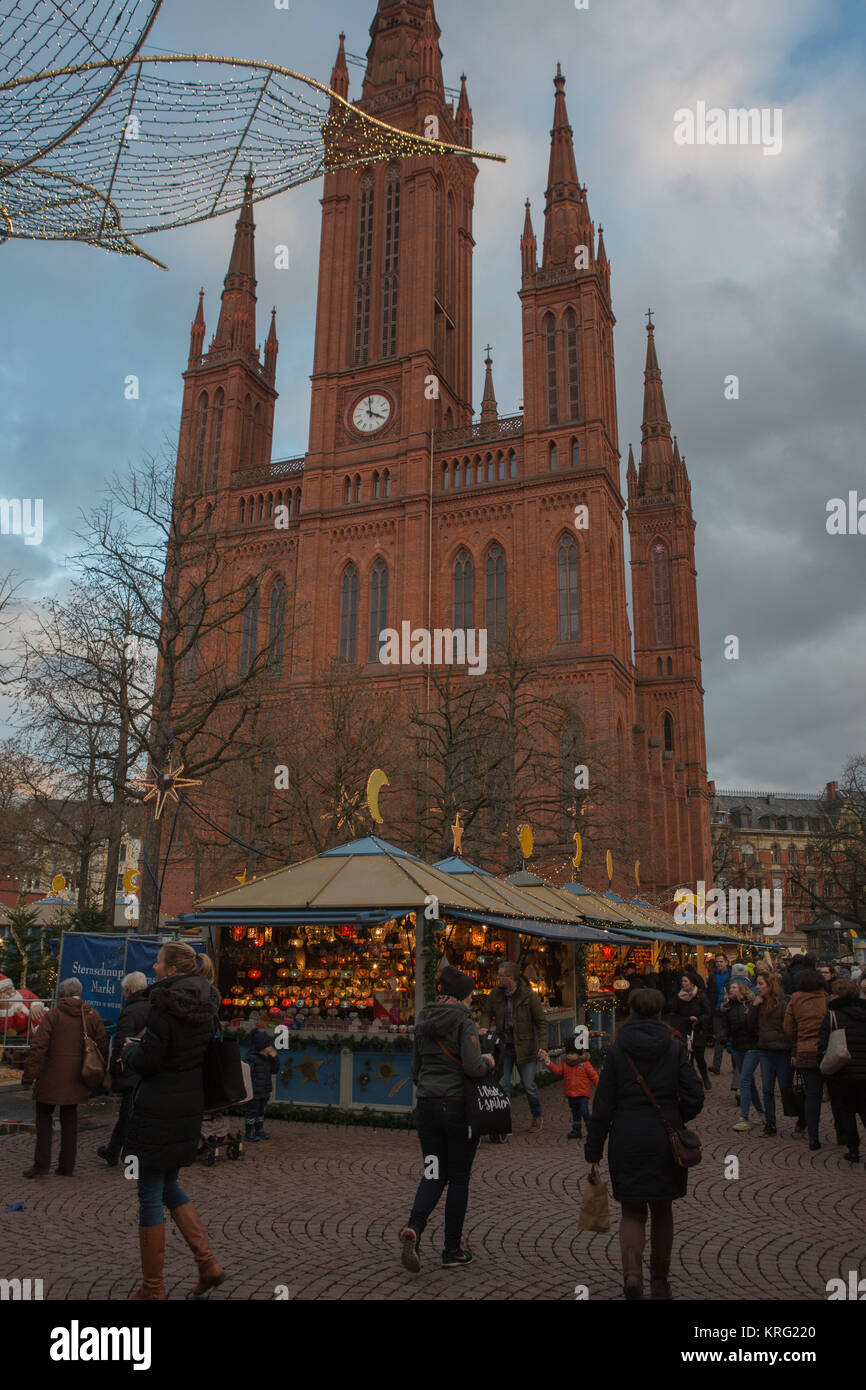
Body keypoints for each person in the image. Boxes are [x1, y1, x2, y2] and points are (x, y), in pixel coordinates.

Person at [585, 988, 704, 1301]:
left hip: (627, 1135)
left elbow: (604, 1104)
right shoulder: (675, 1047)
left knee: (632, 1212)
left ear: (631, 1012)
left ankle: (632, 1275)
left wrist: (593, 1150)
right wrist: (677, 1117)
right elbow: (695, 1094)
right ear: (660, 1013)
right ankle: (660, 1283)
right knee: (662, 1210)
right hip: (664, 1137)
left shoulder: (617, 1049)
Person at [121, 942, 224, 1300]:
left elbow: (150, 1059)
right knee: (169, 1184)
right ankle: (207, 1264)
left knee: (149, 1191)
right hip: (187, 1104)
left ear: (171, 969)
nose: (153, 965)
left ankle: (153, 1287)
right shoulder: (207, 1004)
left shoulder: (163, 1006)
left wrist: (129, 1052)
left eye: (158, 961)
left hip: (158, 1106)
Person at [400, 964, 495, 1271]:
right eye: (470, 998)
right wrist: (487, 1060)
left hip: (427, 1105)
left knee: (432, 1171)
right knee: (459, 1178)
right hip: (456, 1106)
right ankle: (451, 1249)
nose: (472, 1003)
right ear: (462, 996)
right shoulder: (463, 1020)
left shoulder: (423, 1019)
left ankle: (414, 1226)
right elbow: (471, 1066)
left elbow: (415, 1070)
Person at [21, 978, 108, 1178]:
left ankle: (41, 1164)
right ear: (80, 992)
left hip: (51, 1075)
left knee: (44, 1117)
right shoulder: (91, 1015)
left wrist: (29, 1076)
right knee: (70, 1118)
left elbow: (38, 1047)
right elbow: (102, 1043)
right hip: (78, 1075)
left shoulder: (54, 1015)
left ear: (62, 994)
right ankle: (67, 1166)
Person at [480, 960, 547, 1132]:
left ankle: (537, 1115)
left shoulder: (528, 995)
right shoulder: (496, 994)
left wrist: (543, 1046)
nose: (498, 979)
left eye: (501, 976)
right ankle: (504, 1120)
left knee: (529, 1085)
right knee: (503, 1084)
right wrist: (484, 1026)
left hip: (525, 1046)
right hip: (504, 1045)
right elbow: (486, 1011)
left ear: (511, 978)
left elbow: (541, 1022)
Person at [97, 972, 150, 1168]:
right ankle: (114, 1150)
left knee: (128, 1114)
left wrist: (113, 1070)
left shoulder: (130, 1012)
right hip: (145, 1066)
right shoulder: (152, 1007)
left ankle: (127, 1157)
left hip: (131, 1067)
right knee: (131, 1113)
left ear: (128, 990)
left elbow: (121, 1042)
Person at [783, 967, 829, 1151]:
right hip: (827, 1052)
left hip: (805, 1051)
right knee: (837, 1094)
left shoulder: (795, 1000)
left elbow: (788, 1029)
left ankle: (813, 1136)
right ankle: (843, 1133)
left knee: (812, 1095)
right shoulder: (827, 999)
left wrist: (800, 1038)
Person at [820, 978, 866, 1161]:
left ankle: (853, 1149)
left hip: (842, 1071)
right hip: (864, 1070)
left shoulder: (833, 1016)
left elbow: (822, 1044)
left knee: (846, 1112)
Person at [721, 979, 764, 1131]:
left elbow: (754, 1025)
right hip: (737, 1047)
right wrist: (725, 1040)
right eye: (730, 988)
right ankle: (761, 1113)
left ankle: (743, 1117)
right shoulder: (727, 1007)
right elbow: (726, 1028)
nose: (731, 990)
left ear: (741, 989)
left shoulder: (751, 1004)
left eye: (734, 987)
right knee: (749, 1082)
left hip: (752, 1046)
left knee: (744, 1079)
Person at [753, 971, 791, 1138]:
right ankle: (770, 1123)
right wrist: (754, 1006)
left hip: (781, 1051)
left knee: (785, 1087)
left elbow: (788, 1027)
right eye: (757, 984)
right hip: (765, 1050)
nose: (758, 987)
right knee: (767, 1088)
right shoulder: (758, 1003)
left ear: (770, 986)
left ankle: (802, 1117)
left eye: (761, 984)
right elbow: (750, 1025)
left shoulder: (783, 1003)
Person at [538, 1039, 598, 1139]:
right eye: (568, 1053)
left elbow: (594, 1076)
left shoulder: (585, 1064)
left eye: (572, 1053)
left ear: (578, 1054)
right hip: (571, 1094)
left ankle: (591, 1128)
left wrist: (601, 1087)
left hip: (583, 1094)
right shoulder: (566, 1064)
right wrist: (548, 1062)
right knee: (575, 1113)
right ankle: (576, 1130)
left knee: (584, 1111)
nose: (569, 1055)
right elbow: (557, 1071)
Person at [673, 975, 712, 1089]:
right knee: (686, 1058)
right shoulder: (679, 997)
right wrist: (685, 1020)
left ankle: (705, 1077)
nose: (683, 983)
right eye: (682, 981)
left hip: (698, 1030)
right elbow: (674, 1014)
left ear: (692, 983)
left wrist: (698, 1019)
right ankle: (691, 1081)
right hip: (684, 1030)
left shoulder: (700, 996)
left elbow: (708, 1012)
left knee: (699, 1057)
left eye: (686, 981)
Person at [244, 1029, 279, 1142]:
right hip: (255, 1091)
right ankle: (249, 1132)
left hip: (264, 1089)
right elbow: (247, 1074)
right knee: (252, 1111)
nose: (271, 1048)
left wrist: (275, 1058)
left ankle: (259, 1130)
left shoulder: (268, 1059)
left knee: (261, 1111)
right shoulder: (252, 1058)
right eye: (269, 1045)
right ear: (262, 1047)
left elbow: (275, 1070)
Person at [708, 954, 732, 1074]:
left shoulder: (732, 975)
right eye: (717, 962)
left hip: (730, 1010)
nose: (719, 964)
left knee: (732, 1037)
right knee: (718, 1037)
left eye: (721, 961)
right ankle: (716, 1065)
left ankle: (736, 1066)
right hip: (717, 1010)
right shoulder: (712, 976)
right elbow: (710, 993)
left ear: (726, 962)